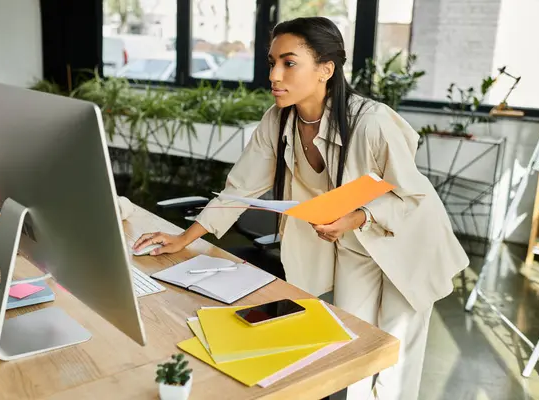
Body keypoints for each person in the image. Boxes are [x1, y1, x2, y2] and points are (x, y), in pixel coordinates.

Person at [133, 17, 469, 400]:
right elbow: (241, 187)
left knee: (396, 358)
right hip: (355, 244)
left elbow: (411, 196)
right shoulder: (279, 120)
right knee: (354, 347)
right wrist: (185, 237)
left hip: (407, 241)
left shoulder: (371, 122)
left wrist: (358, 216)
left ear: (326, 69)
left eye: (289, 63)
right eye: (272, 62)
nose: (274, 74)